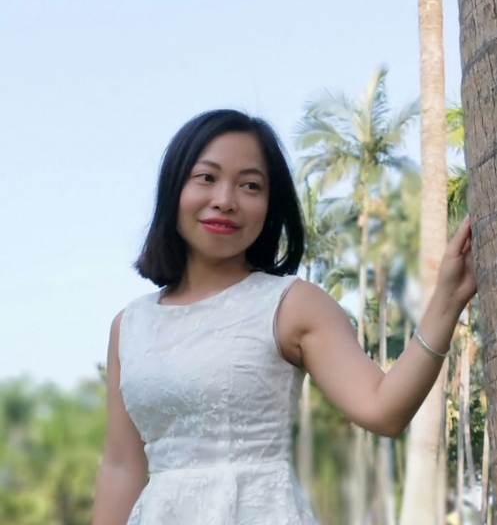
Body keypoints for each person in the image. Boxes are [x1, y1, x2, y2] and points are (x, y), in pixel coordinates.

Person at [91, 109, 477, 525]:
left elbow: (382, 409)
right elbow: (121, 466)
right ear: (173, 188)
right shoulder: (129, 325)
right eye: (206, 177)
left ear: (270, 205)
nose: (225, 200)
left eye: (250, 185)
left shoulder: (292, 303)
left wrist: (447, 301)